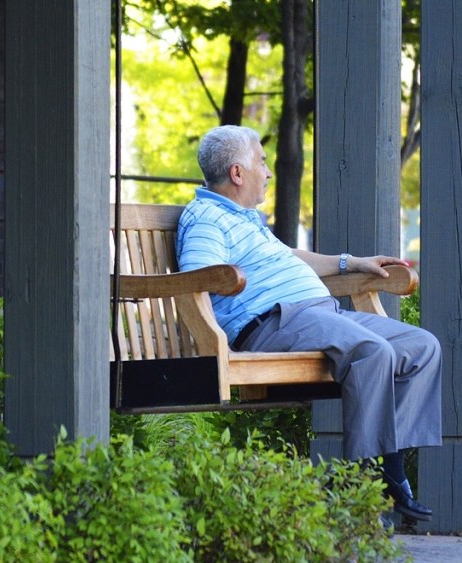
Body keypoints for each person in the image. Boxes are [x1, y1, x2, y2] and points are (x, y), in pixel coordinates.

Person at [176, 125, 442, 523]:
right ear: (237, 173)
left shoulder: (246, 220)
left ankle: (387, 468)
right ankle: (372, 483)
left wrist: (351, 263)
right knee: (372, 352)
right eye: (261, 163)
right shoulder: (207, 219)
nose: (267, 172)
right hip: (273, 322)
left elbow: (288, 256)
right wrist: (237, 284)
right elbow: (198, 277)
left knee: (422, 347)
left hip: (320, 314)